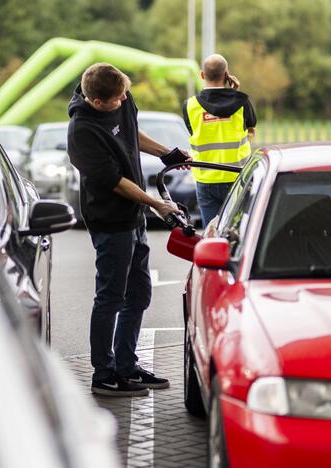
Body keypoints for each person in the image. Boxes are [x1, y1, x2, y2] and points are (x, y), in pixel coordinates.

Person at [67, 63, 190, 397]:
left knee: (139, 294)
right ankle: (103, 374)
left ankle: (126, 365)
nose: (123, 101)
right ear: (97, 102)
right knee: (110, 297)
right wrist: (157, 204)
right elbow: (115, 184)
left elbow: (131, 130)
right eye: (117, 100)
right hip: (110, 222)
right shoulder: (82, 133)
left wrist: (168, 154)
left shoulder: (120, 97)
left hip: (133, 220)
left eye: (124, 95)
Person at [183, 53, 257, 225]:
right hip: (237, 178)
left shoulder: (189, 105)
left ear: (202, 75)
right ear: (226, 75)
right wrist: (234, 93)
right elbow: (251, 128)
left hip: (206, 178)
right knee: (237, 231)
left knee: (211, 231)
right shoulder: (242, 102)